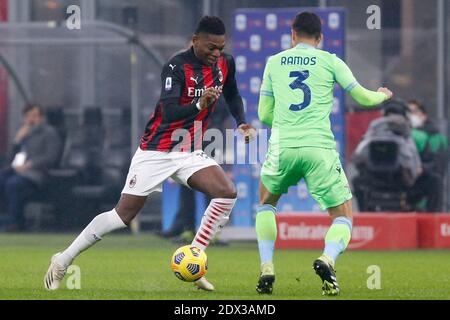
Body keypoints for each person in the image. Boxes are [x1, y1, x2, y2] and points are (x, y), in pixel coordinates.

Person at [44, 16, 256, 291]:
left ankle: (194, 258)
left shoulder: (225, 62)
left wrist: (241, 121)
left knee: (226, 192)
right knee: (122, 216)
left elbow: (233, 92)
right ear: (195, 41)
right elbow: (169, 112)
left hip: (189, 150)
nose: (216, 54)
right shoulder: (175, 66)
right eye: (210, 48)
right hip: (156, 150)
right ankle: (63, 259)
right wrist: (198, 103)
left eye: (220, 47)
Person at [255, 12, 392, 295]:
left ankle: (267, 267)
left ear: (292, 35)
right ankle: (327, 258)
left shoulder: (273, 62)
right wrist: (382, 95)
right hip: (319, 148)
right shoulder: (330, 61)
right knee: (343, 216)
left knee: (267, 204)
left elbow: (263, 114)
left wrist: (285, 121)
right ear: (319, 38)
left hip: (282, 147)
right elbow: (364, 97)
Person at [0, 104, 62, 231]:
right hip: (16, 170)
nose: (31, 119)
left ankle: (14, 222)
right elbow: (10, 158)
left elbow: (52, 157)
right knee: (2, 178)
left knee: (13, 184)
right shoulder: (23, 132)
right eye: (28, 116)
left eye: (34, 116)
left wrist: (30, 164)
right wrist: (17, 140)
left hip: (36, 174)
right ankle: (4, 220)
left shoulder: (49, 133)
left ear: (41, 117)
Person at [352, 100, 422, 211]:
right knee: (433, 181)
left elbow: (357, 159)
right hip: (400, 185)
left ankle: (364, 214)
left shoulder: (372, 130)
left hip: (372, 183)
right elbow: (416, 168)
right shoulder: (406, 134)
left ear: (384, 113)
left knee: (356, 181)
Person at [407, 100, 448, 212]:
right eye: (407, 112)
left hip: (422, 185)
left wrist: (421, 168)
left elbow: (438, 166)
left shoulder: (436, 138)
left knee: (435, 181)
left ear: (423, 115)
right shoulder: (400, 135)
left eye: (413, 112)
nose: (410, 116)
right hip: (402, 183)